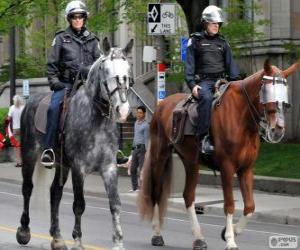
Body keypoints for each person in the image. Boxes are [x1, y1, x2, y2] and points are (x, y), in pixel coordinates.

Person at [41, 0, 101, 167]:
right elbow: (51, 65)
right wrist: (55, 83)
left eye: (80, 16)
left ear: (84, 18)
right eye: (74, 17)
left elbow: (99, 65)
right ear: (69, 19)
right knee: (53, 108)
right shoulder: (60, 38)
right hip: (66, 85)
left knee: (109, 105)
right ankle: (49, 149)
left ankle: (113, 148)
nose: (77, 20)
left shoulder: (93, 40)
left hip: (87, 86)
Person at [185, 5, 240, 154]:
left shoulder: (223, 43)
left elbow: (231, 67)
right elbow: (189, 66)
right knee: (207, 99)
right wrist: (192, 85)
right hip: (205, 82)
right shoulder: (195, 41)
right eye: (213, 23)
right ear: (205, 23)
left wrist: (236, 84)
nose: (216, 26)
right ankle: (203, 138)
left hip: (222, 81)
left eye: (218, 24)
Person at [130, 106, 149, 192]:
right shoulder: (136, 123)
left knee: (142, 170)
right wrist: (132, 150)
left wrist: (147, 152)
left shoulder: (146, 126)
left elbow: (146, 139)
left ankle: (143, 188)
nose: (138, 114)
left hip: (142, 149)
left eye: (140, 113)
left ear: (144, 114)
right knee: (132, 169)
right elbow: (135, 137)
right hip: (135, 149)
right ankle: (135, 188)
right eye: (137, 112)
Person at [7, 95, 25, 167]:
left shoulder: (12, 108)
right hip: (23, 129)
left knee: (17, 147)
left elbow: (8, 119)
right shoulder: (23, 107)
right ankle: (24, 161)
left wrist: (7, 127)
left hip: (15, 129)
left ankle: (19, 162)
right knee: (23, 145)